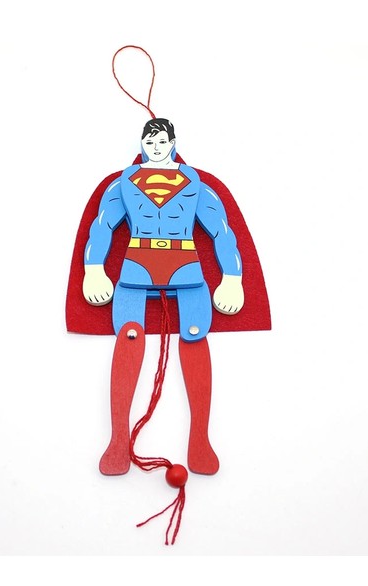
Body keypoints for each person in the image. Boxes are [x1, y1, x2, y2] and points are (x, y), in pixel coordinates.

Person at [82, 118, 244, 476]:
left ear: (173, 142)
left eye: (161, 141)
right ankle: (118, 441)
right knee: (128, 335)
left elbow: (221, 230)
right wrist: (93, 269)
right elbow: (102, 225)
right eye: (149, 141)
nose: (155, 148)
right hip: (136, 268)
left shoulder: (196, 185)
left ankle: (200, 440)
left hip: (186, 267)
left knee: (195, 333)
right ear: (142, 144)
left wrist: (232, 278)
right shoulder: (123, 184)